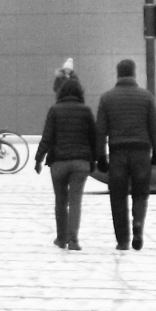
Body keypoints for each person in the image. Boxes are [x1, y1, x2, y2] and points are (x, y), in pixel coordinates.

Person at [95, 57, 156, 250]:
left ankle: (122, 240)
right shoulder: (146, 97)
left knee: (118, 196)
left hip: (118, 153)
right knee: (140, 193)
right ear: (133, 73)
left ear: (118, 74)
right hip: (141, 152)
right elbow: (154, 128)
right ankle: (138, 224)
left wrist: (100, 156)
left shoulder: (107, 98)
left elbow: (101, 130)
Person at [34, 74, 99, 250]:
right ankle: (73, 240)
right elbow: (94, 139)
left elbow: (47, 138)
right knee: (76, 200)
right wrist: (95, 160)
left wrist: (38, 159)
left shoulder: (54, 110)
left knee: (60, 201)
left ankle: (61, 238)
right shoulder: (86, 111)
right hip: (80, 163)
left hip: (59, 163)